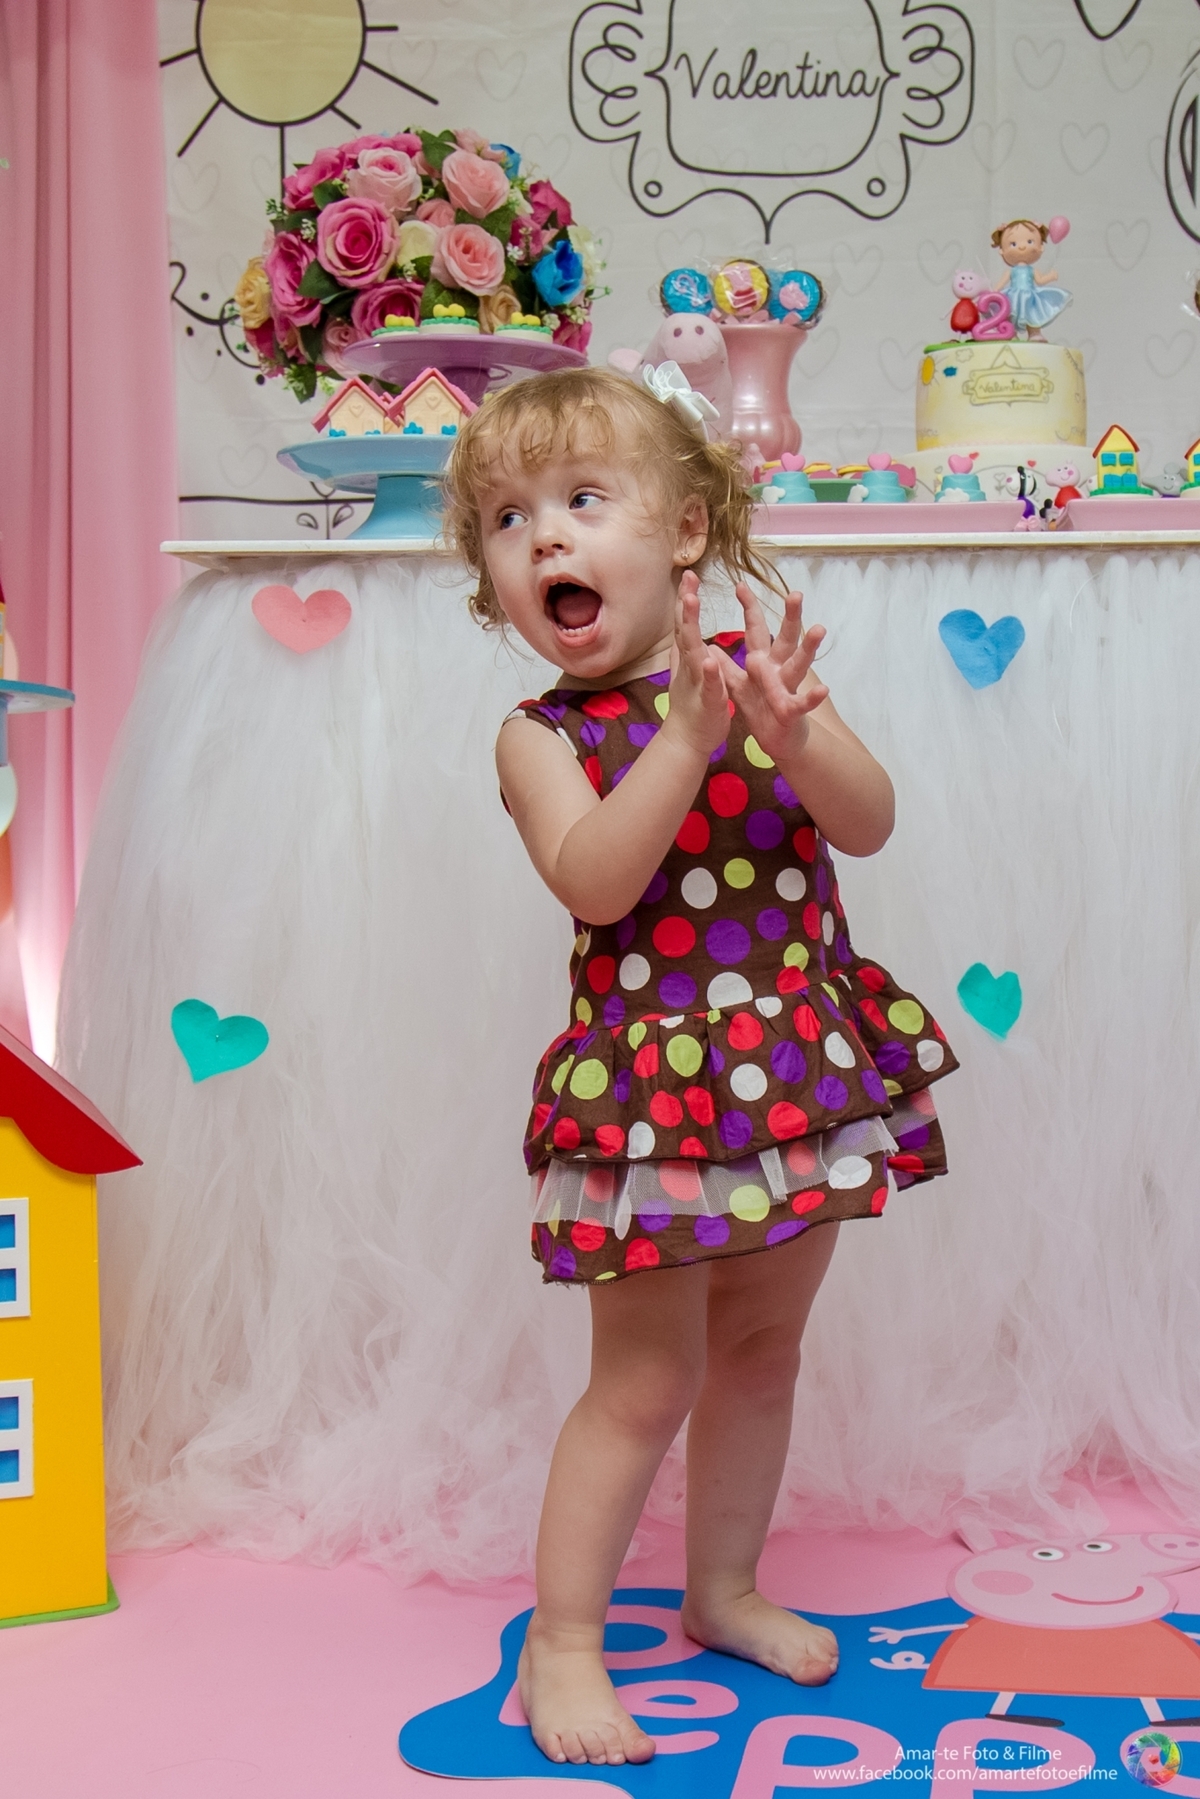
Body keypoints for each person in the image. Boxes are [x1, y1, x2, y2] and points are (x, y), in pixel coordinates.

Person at [443, 365, 957, 1768]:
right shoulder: (540, 736)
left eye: (581, 499)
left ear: (683, 531)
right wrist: (682, 741)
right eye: (508, 519)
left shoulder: (751, 677)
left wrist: (792, 736)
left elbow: (872, 821)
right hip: (652, 1098)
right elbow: (598, 880)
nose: (545, 535)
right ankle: (564, 1638)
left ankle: (721, 1585)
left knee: (764, 1349)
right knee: (642, 1378)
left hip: (793, 1066)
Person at [991, 219, 1071, 341]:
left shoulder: (1032, 270)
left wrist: (1050, 277)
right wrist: (994, 292)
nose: (1022, 246)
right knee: (1009, 314)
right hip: (1013, 296)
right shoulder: (1011, 271)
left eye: (1030, 241)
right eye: (1013, 244)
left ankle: (1034, 333)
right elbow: (1000, 284)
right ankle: (1010, 333)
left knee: (1033, 314)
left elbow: (1040, 281)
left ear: (1041, 247)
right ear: (1001, 250)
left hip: (1030, 296)